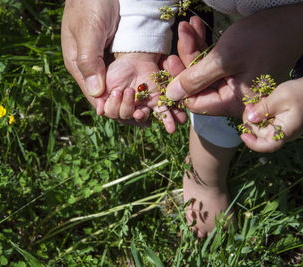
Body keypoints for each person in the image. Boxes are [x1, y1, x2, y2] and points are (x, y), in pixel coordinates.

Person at [61, 0, 303, 237]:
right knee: (211, 99)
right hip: (211, 17)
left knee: (239, 100)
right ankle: (203, 177)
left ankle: (205, 179)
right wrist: (138, 47)